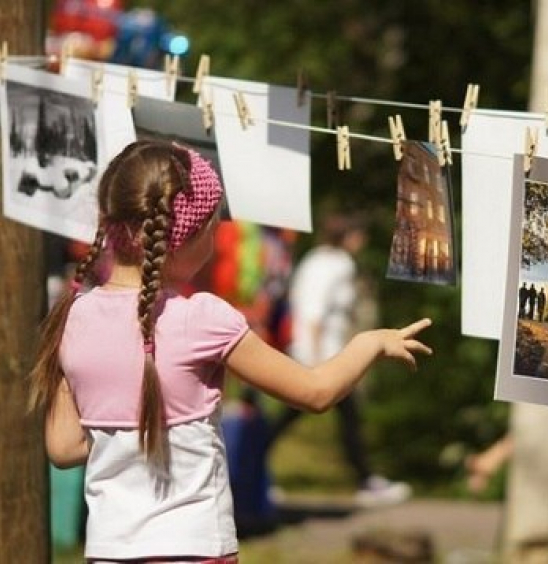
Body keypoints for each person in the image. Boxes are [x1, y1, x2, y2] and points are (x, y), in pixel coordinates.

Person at [28, 139, 432, 563]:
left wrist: (125, 426)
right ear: (186, 236)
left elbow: (63, 447)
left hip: (109, 552)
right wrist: (368, 344)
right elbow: (315, 391)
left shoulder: (71, 318)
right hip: (195, 549)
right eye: (213, 226)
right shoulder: (203, 318)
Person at [265, 212, 413, 507]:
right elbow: (315, 313)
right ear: (350, 237)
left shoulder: (313, 259)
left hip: (306, 348)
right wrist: (320, 362)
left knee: (303, 416)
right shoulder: (339, 265)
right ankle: (365, 480)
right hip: (325, 353)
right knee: (343, 417)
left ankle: (253, 469)